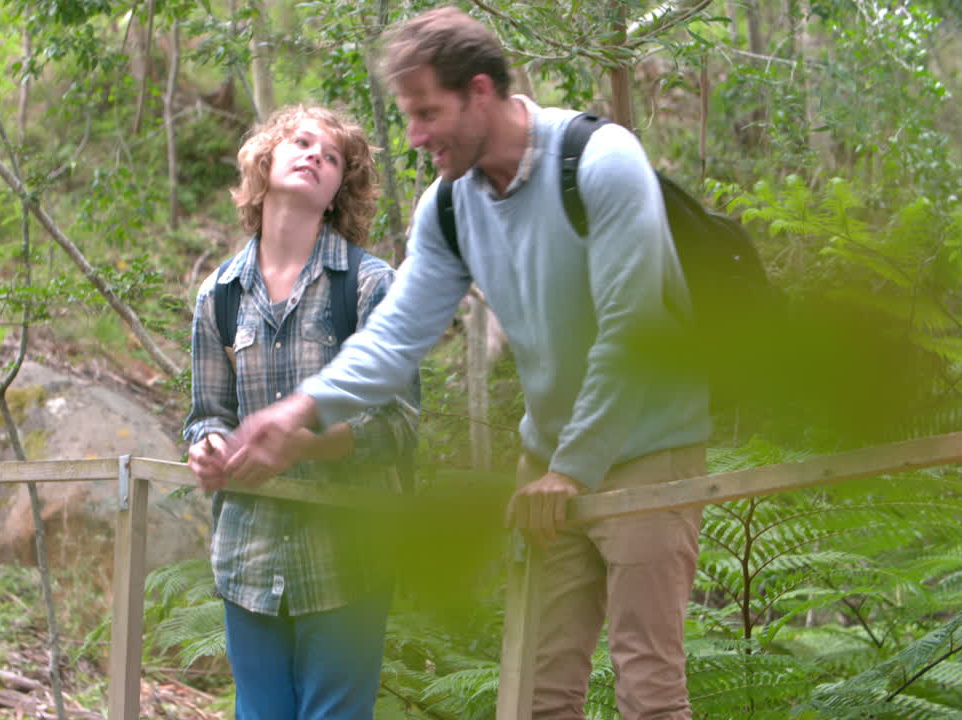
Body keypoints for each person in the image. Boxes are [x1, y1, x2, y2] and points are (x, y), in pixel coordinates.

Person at [222, 7, 711, 719]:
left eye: (427, 114)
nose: (416, 138)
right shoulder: (448, 205)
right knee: (536, 694)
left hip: (648, 445)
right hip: (547, 462)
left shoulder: (602, 163)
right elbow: (397, 336)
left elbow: (631, 334)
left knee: (649, 689)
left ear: (480, 92)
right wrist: (302, 409)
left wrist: (572, 470)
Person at [182, 104, 418, 720]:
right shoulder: (220, 295)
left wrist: (307, 443)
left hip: (347, 561)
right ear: (266, 162)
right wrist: (208, 448)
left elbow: (398, 424)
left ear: (342, 188)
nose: (315, 154)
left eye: (332, 155)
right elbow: (207, 413)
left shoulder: (368, 286)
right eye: (302, 142)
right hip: (247, 560)